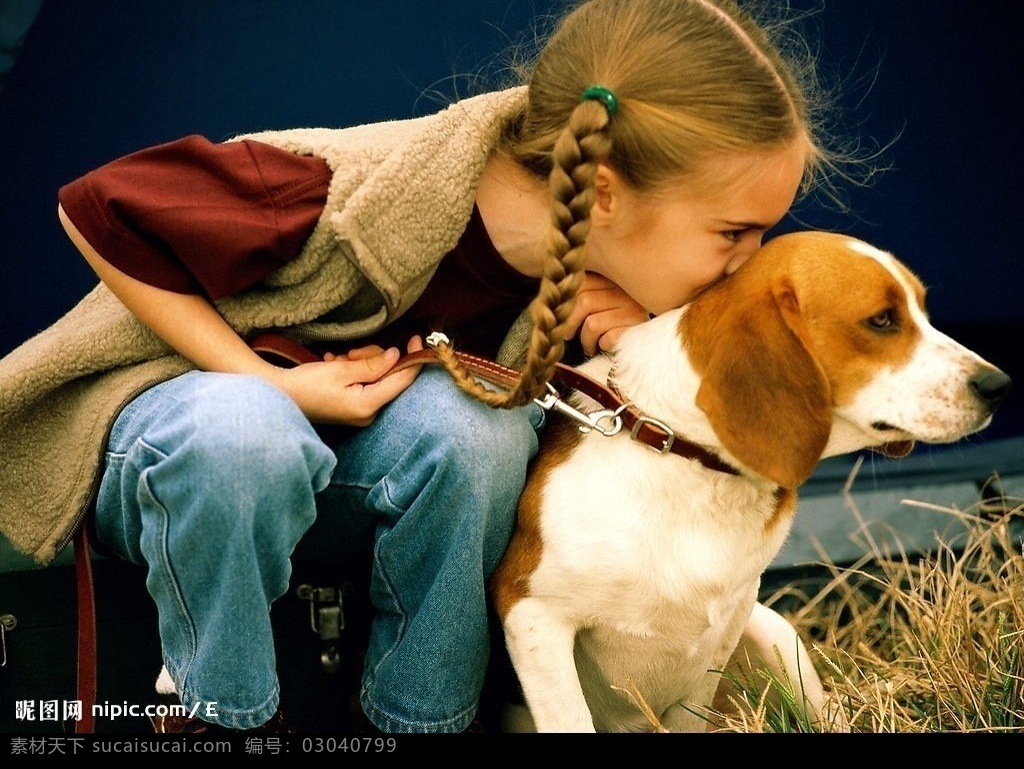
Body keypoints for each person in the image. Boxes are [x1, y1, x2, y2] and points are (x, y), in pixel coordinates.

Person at [0, 0, 857, 732]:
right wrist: (271, 380)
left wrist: (639, 331)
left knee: (471, 431)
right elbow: (95, 209)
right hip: (181, 455)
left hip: (339, 479)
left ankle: (419, 717)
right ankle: (215, 713)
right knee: (246, 429)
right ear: (604, 193)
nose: (750, 262)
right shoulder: (328, 187)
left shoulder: (596, 272)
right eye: (733, 234)